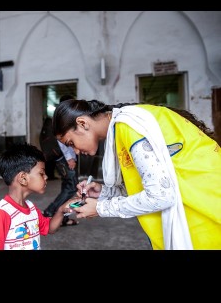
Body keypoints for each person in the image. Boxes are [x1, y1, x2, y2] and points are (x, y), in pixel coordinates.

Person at [52, 99, 221, 250]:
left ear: (82, 123)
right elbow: (152, 184)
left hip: (204, 215)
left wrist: (100, 208)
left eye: (71, 143)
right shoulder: (125, 127)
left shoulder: (129, 128)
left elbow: (161, 195)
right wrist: (104, 192)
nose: (75, 151)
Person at [0, 142, 79, 250]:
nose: (46, 177)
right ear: (23, 178)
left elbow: (49, 228)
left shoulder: (32, 208)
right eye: (41, 173)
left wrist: (61, 210)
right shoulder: (1, 214)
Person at [41, 95, 79, 226]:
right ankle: (50, 212)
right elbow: (62, 141)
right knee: (71, 188)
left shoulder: (62, 118)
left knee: (67, 187)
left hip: (64, 159)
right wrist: (70, 158)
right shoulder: (63, 119)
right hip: (65, 159)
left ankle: (62, 217)